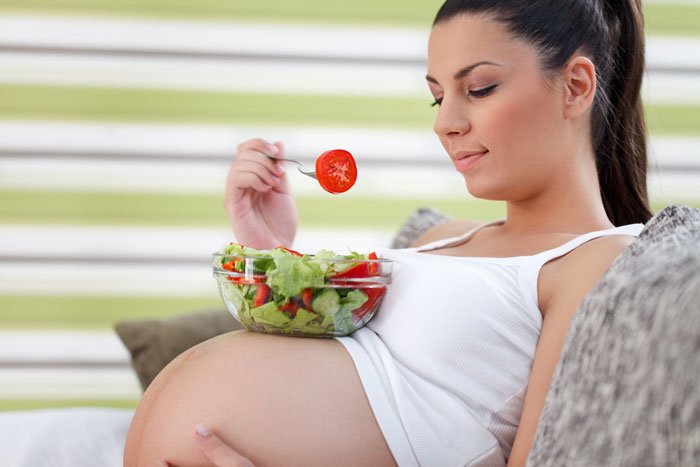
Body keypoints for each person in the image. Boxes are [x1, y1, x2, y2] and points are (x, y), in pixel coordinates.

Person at [124, 0, 651, 465]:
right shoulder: (439, 236)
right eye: (437, 97)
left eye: (479, 89)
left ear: (576, 86)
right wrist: (271, 246)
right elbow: (351, 380)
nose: (446, 122)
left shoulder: (598, 261)